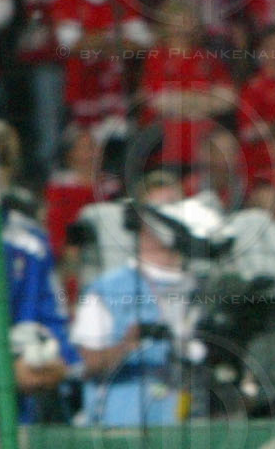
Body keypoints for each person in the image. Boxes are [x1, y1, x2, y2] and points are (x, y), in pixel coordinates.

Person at [0, 125, 76, 424]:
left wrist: (60, 360)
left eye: (2, 161)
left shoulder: (30, 240)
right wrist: (4, 367)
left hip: (19, 388)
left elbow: (49, 308)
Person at [70, 172, 198, 427]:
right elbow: (87, 365)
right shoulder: (107, 290)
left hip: (193, 427)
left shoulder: (203, 285)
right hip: (122, 429)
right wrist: (128, 344)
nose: (169, 217)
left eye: (174, 207)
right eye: (160, 209)